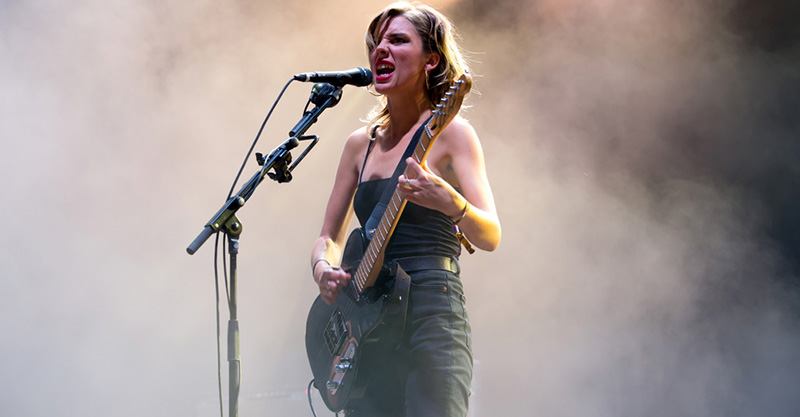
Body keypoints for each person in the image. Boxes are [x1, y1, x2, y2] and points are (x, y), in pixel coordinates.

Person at [309, 2, 501, 416]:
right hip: (368, 319)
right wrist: (323, 269)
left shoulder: (452, 134)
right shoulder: (359, 145)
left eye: (397, 40)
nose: (382, 49)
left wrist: (451, 203)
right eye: (377, 42)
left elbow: (490, 235)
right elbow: (329, 237)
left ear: (431, 60)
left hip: (432, 308)